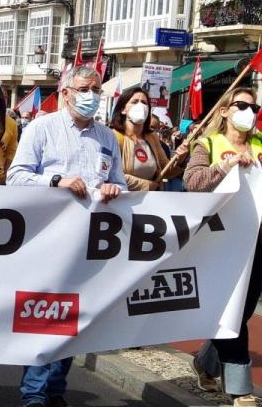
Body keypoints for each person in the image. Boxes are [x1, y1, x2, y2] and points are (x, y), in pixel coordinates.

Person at [7, 65, 125, 407]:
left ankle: (55, 389)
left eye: (96, 90)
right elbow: (16, 178)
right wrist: (55, 181)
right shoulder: (41, 129)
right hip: (47, 241)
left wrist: (113, 187)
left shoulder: (107, 138)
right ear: (66, 93)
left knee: (72, 318)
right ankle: (34, 393)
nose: (92, 96)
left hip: (87, 245)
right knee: (45, 316)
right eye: (85, 89)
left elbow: (121, 182)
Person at [185, 87, 262, 406]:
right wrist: (226, 166)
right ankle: (240, 387)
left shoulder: (260, 145)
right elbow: (193, 182)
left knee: (240, 312)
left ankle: (205, 362)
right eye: (241, 105)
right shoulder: (208, 144)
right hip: (220, 242)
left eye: (253, 107)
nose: (248, 111)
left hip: (256, 243)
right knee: (227, 308)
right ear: (226, 110)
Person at [108, 86, 186, 190]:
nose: (140, 106)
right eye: (135, 102)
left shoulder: (152, 137)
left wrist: (179, 159)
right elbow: (111, 174)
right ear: (123, 109)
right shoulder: (113, 136)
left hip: (150, 201)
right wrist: (147, 185)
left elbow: (165, 170)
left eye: (144, 103)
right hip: (123, 201)